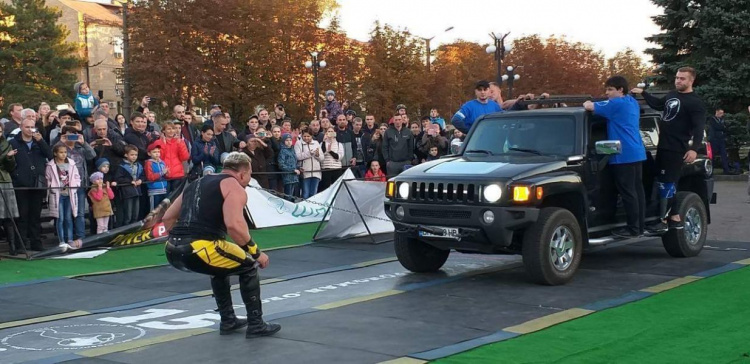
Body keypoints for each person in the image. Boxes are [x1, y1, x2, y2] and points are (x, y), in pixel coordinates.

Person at [162, 152, 280, 338]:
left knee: (220, 267)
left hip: (172, 249)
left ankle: (228, 320)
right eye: (249, 175)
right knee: (249, 266)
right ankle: (256, 324)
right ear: (242, 173)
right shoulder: (234, 186)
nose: (248, 180)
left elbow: (167, 218)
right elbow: (234, 225)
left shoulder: (196, 183)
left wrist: (181, 239)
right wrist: (257, 253)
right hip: (201, 247)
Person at [631, 66, 706, 232]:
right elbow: (658, 105)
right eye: (677, 78)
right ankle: (674, 216)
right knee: (659, 179)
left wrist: (694, 149)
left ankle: (664, 221)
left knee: (668, 183)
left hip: (677, 149)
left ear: (691, 80)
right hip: (663, 147)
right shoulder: (672, 95)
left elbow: (699, 128)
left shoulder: (695, 102)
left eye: (682, 79)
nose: (678, 81)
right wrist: (643, 93)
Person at [584, 76, 647, 238]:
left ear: (621, 90)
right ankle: (639, 227)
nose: (607, 93)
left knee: (628, 193)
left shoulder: (616, 104)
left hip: (623, 154)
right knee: (637, 192)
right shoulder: (631, 102)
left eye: (610, 89)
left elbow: (589, 106)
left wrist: (587, 103)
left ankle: (632, 229)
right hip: (637, 152)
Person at [10, 115, 52, 251]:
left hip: (37, 183)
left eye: (32, 127)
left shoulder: (38, 142)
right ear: (21, 127)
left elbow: (50, 156)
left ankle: (36, 242)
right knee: (22, 216)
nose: (29, 130)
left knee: (35, 215)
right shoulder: (14, 142)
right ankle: (21, 244)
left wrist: (41, 142)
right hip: (21, 183)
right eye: (27, 127)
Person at [46, 144, 81, 250]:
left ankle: (70, 239)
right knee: (60, 218)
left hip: (69, 193)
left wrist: (76, 185)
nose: (63, 154)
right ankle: (61, 241)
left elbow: (76, 176)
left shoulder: (71, 163)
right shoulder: (50, 165)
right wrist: (52, 187)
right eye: (61, 152)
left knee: (68, 218)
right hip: (58, 194)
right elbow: (48, 178)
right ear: (55, 153)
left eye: (65, 152)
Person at [0, 123, 20, 255]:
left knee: (9, 215)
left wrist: (9, 158)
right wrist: (4, 157)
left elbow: (11, 166)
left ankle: (12, 245)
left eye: (0, 130)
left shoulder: (7, 144)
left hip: (5, 180)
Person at [114, 145, 144, 226]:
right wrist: (130, 181)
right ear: (126, 155)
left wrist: (141, 180)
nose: (134, 157)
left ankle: (134, 228)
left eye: (136, 155)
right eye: (132, 155)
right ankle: (126, 229)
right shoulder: (122, 166)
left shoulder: (139, 165)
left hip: (137, 191)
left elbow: (143, 175)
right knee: (128, 214)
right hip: (127, 192)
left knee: (136, 213)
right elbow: (118, 178)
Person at [295, 130, 324, 199]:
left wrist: (317, 155)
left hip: (316, 172)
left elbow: (322, 158)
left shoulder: (316, 143)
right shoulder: (298, 143)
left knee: (313, 193)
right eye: (304, 136)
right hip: (305, 172)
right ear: (302, 136)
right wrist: (309, 154)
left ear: (311, 136)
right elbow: (297, 156)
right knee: (305, 193)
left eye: (308, 136)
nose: (306, 138)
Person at [707, 108, 734, 174]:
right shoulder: (712, 119)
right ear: (717, 112)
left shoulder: (722, 120)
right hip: (714, 140)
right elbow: (717, 127)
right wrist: (723, 128)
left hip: (721, 139)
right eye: (720, 113)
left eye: (722, 113)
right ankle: (711, 170)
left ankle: (726, 170)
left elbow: (726, 128)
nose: (722, 114)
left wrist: (723, 129)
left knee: (724, 154)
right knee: (712, 156)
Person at [145, 141, 169, 210]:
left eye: (158, 152)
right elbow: (150, 177)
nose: (157, 154)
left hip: (163, 189)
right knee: (154, 210)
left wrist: (167, 173)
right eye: (154, 152)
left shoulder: (162, 162)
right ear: (149, 153)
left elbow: (166, 175)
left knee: (163, 209)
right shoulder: (149, 163)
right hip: (154, 191)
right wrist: (162, 173)